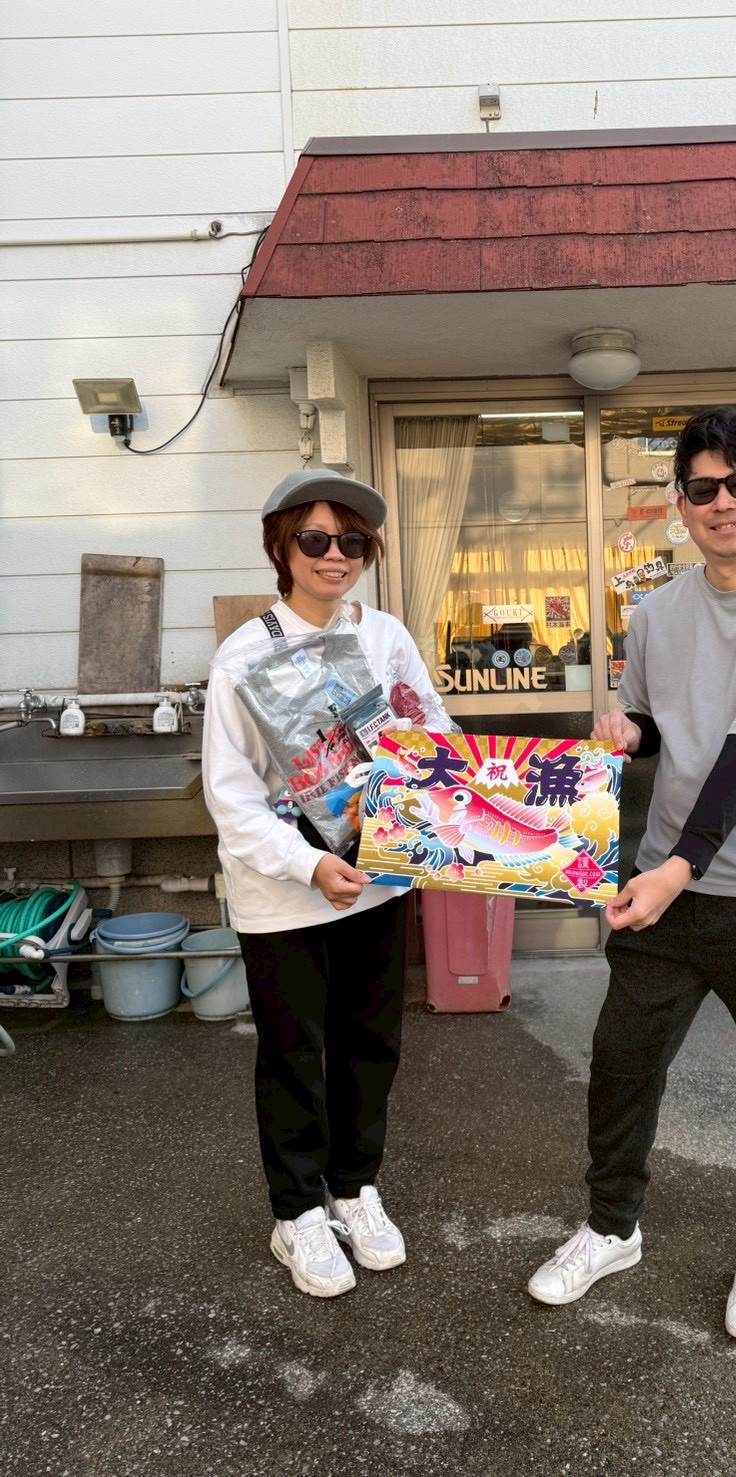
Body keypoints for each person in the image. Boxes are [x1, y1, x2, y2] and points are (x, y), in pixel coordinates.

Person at [527, 407, 736, 1342]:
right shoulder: (656, 613)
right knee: (622, 1064)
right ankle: (611, 1225)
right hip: (670, 885)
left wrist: (672, 867)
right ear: (681, 502)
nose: (723, 502)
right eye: (703, 487)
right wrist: (627, 732)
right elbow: (662, 726)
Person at [203, 468, 446, 1299]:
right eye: (314, 538)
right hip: (283, 895)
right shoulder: (243, 655)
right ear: (282, 547)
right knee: (294, 1051)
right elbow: (232, 796)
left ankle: (355, 1186)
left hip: (378, 880)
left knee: (372, 1041)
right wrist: (307, 861)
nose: (334, 555)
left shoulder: (385, 637)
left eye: (352, 541)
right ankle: (297, 1210)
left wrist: (443, 805)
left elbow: (431, 733)